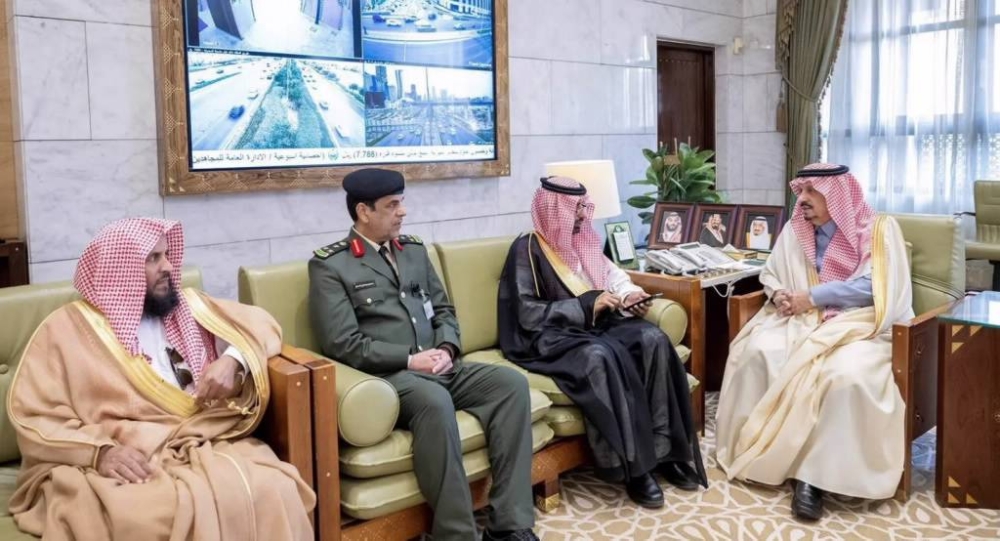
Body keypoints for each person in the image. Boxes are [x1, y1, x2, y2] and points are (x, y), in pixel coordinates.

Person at [7, 217, 315, 540]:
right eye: (154, 258)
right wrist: (99, 453)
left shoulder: (188, 307)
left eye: (167, 255)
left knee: (274, 487)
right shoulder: (66, 329)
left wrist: (232, 361)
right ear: (120, 269)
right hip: (126, 455)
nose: (168, 266)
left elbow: (264, 325)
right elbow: (35, 416)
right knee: (142, 515)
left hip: (201, 439)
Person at [308, 168, 537, 541]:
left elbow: (444, 310)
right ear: (364, 211)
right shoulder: (331, 265)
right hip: (392, 377)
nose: (403, 211)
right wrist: (410, 359)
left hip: (441, 366)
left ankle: (509, 523)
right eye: (392, 205)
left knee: (510, 384)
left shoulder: (413, 251)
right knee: (434, 400)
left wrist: (446, 348)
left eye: (402, 202)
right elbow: (343, 343)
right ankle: (456, 534)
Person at [715, 164, 913, 521]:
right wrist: (779, 294)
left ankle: (813, 477)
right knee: (758, 352)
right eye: (800, 191)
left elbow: (876, 287)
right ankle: (764, 451)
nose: (802, 199)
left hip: (863, 322)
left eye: (811, 191)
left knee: (845, 376)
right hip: (802, 318)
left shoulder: (879, 230)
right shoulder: (797, 229)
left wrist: (813, 296)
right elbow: (773, 272)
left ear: (838, 194)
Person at [497, 176, 707, 510]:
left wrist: (630, 295)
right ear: (555, 210)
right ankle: (635, 467)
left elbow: (612, 276)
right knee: (600, 356)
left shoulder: (585, 240)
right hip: (550, 335)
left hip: (595, 326)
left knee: (652, 338)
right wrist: (585, 306)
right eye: (576, 209)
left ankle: (667, 453)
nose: (583, 215)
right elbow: (527, 312)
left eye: (584, 207)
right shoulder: (528, 249)